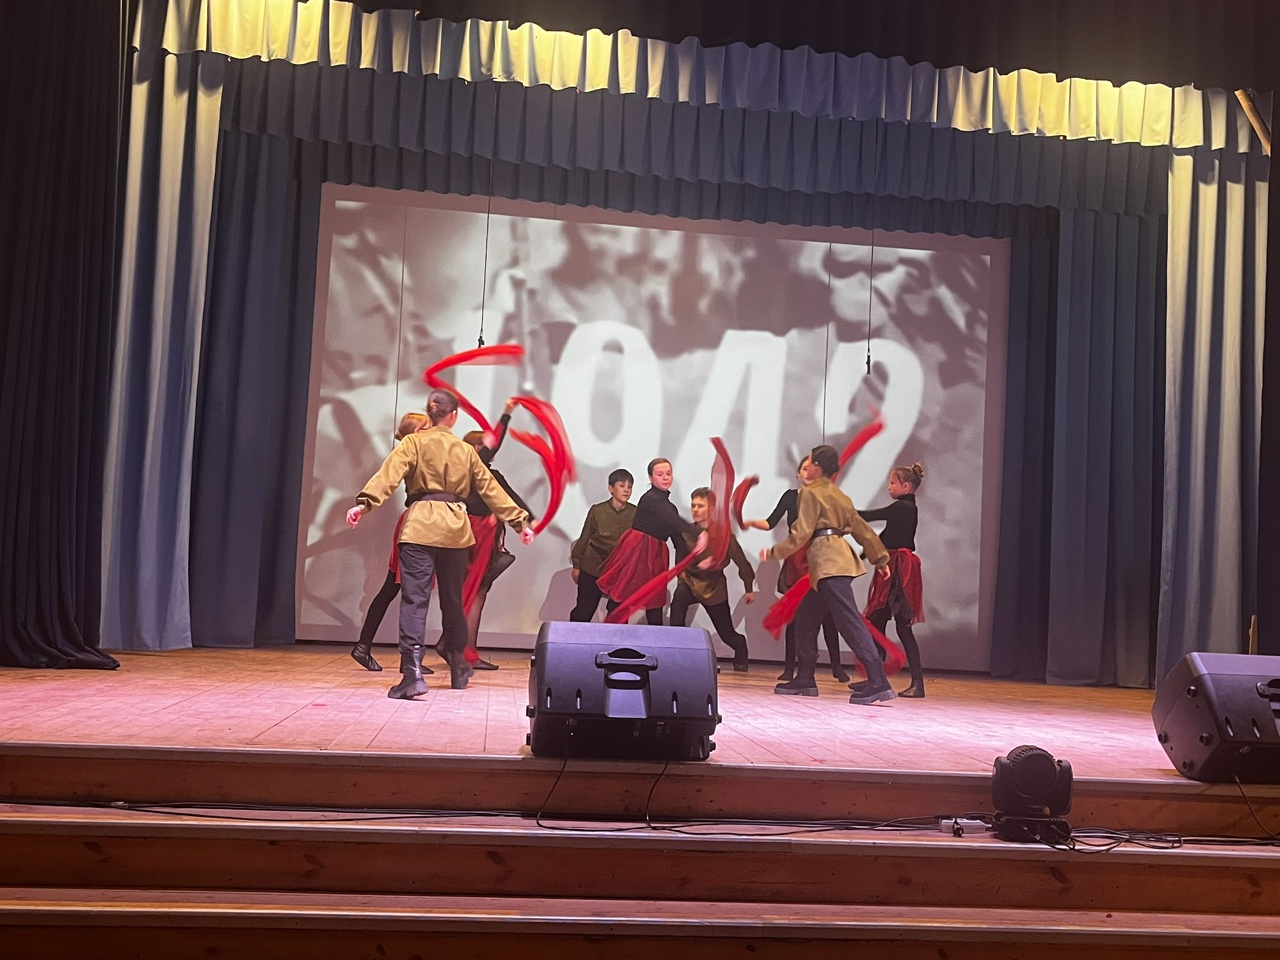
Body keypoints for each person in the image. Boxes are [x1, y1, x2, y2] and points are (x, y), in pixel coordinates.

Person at [347, 389, 532, 699]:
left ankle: (412, 675)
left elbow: (387, 476)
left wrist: (363, 504)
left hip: (420, 527)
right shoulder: (465, 450)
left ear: (429, 413)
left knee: (414, 601)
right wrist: (519, 521)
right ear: (454, 416)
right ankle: (459, 666)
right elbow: (491, 489)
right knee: (453, 600)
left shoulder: (413, 443)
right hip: (455, 530)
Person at [761, 444, 894, 704]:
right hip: (834, 562)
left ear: (817, 467)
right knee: (806, 618)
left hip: (828, 562)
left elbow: (801, 532)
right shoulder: (838, 495)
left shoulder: (810, 493)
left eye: (811, 462)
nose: (808, 466)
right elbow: (861, 528)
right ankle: (805, 677)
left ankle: (878, 680)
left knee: (848, 621)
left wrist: (775, 552)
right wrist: (880, 558)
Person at [437, 399, 530, 671]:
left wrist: (528, 522)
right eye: (482, 444)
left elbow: (512, 501)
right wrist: (506, 413)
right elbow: (494, 447)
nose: (487, 448)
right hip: (474, 537)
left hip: (486, 539)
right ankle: (460, 648)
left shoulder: (491, 475)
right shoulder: (469, 471)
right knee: (472, 591)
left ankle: (461, 647)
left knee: (478, 592)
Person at [745, 458, 849, 683]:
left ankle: (837, 666)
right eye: (804, 468)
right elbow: (771, 522)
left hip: (820, 555)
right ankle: (790, 668)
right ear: (798, 473)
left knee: (828, 613)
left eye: (814, 468)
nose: (809, 473)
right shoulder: (791, 496)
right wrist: (752, 522)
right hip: (797, 558)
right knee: (794, 614)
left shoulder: (825, 496)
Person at [349, 411, 432, 674]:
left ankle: (367, 648)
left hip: (420, 523)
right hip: (416, 525)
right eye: (428, 428)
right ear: (417, 433)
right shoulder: (413, 455)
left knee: (395, 590)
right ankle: (407, 657)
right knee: (405, 592)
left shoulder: (421, 454)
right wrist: (363, 506)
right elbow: (386, 480)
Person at [595, 457, 708, 624]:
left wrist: (692, 561)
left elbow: (678, 539)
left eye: (668, 473)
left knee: (654, 602)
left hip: (656, 555)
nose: (665, 477)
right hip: (638, 551)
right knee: (623, 598)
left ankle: (655, 638)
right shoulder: (650, 499)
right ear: (651, 478)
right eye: (660, 474)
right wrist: (697, 533)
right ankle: (613, 636)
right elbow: (674, 521)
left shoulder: (669, 506)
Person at [860, 463, 927, 698]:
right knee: (877, 621)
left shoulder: (903, 508)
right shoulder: (903, 509)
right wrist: (861, 556)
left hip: (900, 571)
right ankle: (875, 679)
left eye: (892, 483)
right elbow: (883, 537)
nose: (888, 487)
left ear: (905, 486)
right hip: (892, 566)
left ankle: (917, 683)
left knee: (902, 627)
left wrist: (846, 512)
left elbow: (871, 516)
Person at [670, 488, 754, 671]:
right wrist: (682, 578)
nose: (695, 510)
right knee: (676, 613)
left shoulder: (724, 535)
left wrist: (749, 588)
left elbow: (742, 562)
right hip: (689, 582)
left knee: (726, 634)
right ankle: (679, 656)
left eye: (700, 506)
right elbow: (680, 561)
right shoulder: (686, 532)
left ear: (712, 508)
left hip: (713, 587)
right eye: (693, 505)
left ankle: (740, 648)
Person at [569, 469, 636, 621]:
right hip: (593, 567)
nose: (626, 490)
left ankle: (615, 638)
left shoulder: (635, 513)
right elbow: (584, 538)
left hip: (620, 571)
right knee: (584, 611)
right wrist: (576, 565)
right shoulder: (597, 511)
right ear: (611, 488)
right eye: (622, 486)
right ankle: (573, 636)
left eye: (630, 487)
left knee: (618, 615)